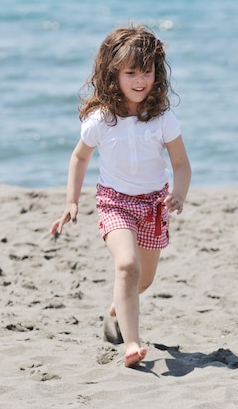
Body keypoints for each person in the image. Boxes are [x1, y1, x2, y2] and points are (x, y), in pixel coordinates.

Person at [50, 25, 191, 368]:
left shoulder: (162, 119)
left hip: (153, 204)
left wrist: (179, 192)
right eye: (131, 72)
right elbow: (80, 157)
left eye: (147, 71)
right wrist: (72, 201)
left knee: (143, 279)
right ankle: (132, 344)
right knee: (127, 265)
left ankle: (117, 308)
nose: (140, 80)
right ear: (114, 74)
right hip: (115, 203)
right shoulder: (102, 119)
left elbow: (181, 163)